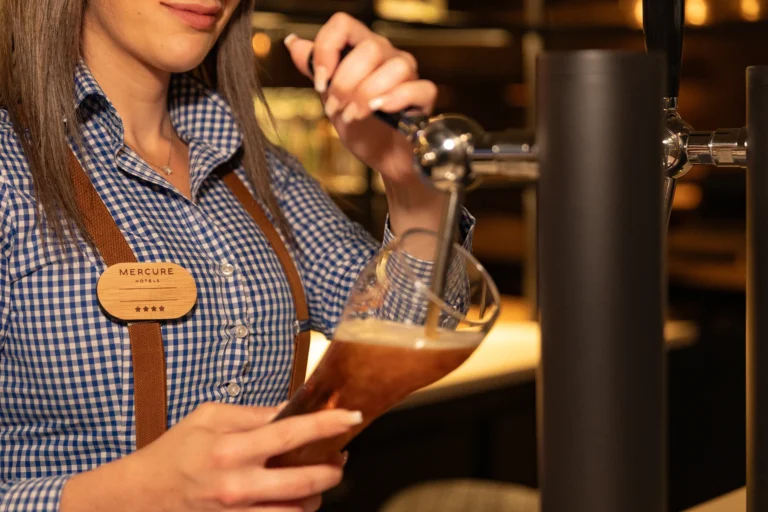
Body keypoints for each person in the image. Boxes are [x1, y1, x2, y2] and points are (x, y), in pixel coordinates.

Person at [0, 1, 473, 511]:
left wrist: (410, 185)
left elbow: (410, 337)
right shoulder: (10, 170)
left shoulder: (258, 170)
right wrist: (122, 496)